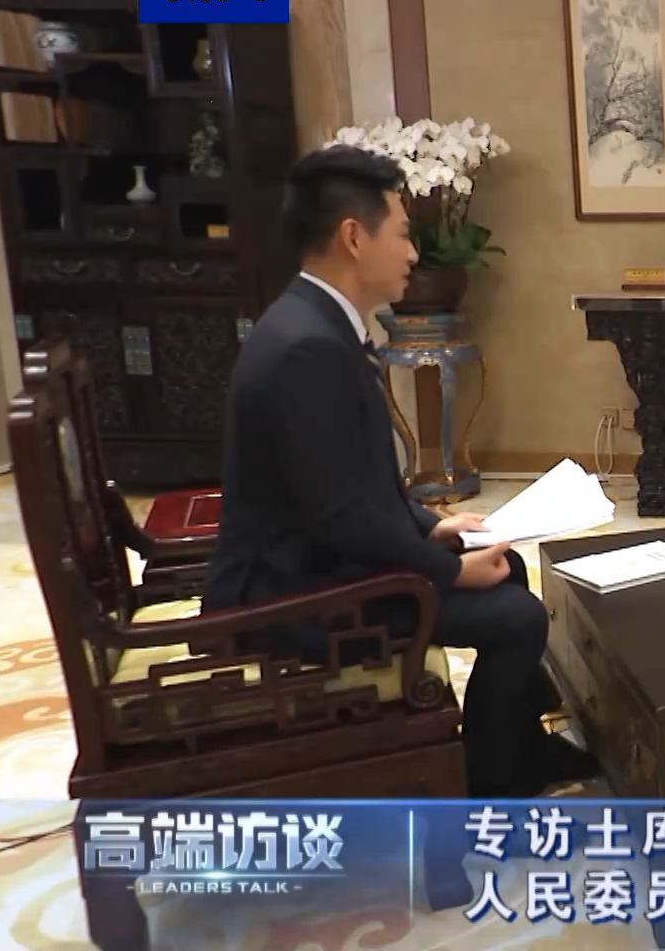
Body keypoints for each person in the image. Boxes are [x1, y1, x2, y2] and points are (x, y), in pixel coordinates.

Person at [203, 144, 596, 797]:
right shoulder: (305, 349)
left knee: (508, 567)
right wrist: (445, 568)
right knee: (517, 619)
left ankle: (521, 750)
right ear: (354, 238)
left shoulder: (313, 323)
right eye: (403, 233)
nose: (414, 253)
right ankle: (491, 785)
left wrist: (430, 526)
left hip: (318, 559)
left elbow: (350, 489)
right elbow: (339, 517)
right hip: (291, 594)